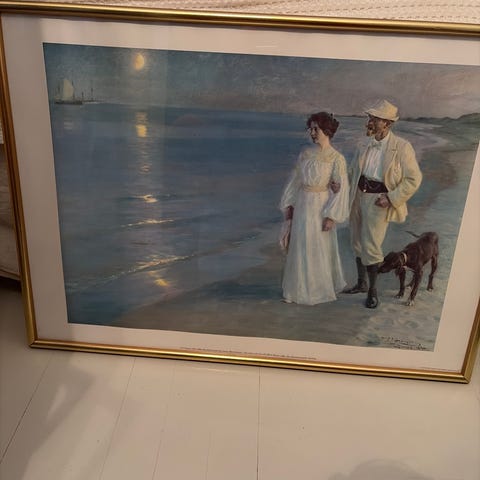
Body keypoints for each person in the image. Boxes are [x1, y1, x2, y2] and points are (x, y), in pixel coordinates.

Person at [344, 99, 422, 308]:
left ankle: (372, 292)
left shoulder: (402, 147)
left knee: (371, 246)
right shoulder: (364, 143)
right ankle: (361, 283)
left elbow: (414, 179)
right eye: (370, 118)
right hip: (357, 196)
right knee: (356, 241)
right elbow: (352, 171)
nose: (370, 122)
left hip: (379, 201)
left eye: (375, 119)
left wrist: (391, 198)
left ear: (387, 123)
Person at [279, 112, 349, 305]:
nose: (312, 133)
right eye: (311, 129)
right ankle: (296, 291)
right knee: (300, 244)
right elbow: (295, 181)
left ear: (327, 130)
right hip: (303, 203)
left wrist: (332, 216)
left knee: (318, 246)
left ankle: (318, 291)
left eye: (316, 129)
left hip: (321, 205)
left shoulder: (337, 158)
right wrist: (289, 205)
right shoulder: (305, 154)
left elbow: (342, 189)